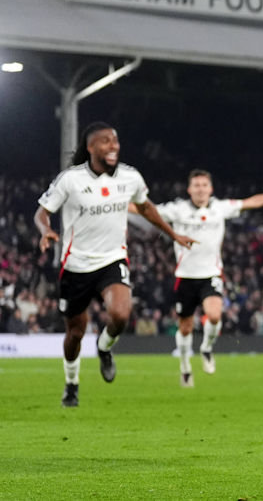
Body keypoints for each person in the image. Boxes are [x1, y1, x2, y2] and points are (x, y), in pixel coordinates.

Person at [35, 122, 195, 407]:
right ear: (91, 147)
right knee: (75, 332)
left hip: (112, 259)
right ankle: (72, 384)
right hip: (76, 266)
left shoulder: (129, 177)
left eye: (116, 141)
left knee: (121, 314)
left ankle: (104, 348)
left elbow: (146, 208)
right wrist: (45, 230)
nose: (113, 146)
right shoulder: (70, 180)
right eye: (106, 141)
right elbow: (42, 213)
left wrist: (173, 234)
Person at [139, 170, 263, 386]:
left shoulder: (220, 208)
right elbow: (145, 209)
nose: (200, 189)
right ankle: (185, 366)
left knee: (214, 315)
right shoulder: (177, 210)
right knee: (185, 328)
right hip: (185, 277)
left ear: (211, 189)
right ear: (189, 189)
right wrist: (116, 204)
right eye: (196, 185)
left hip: (211, 274)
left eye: (204, 185)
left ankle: (206, 348)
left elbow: (254, 202)